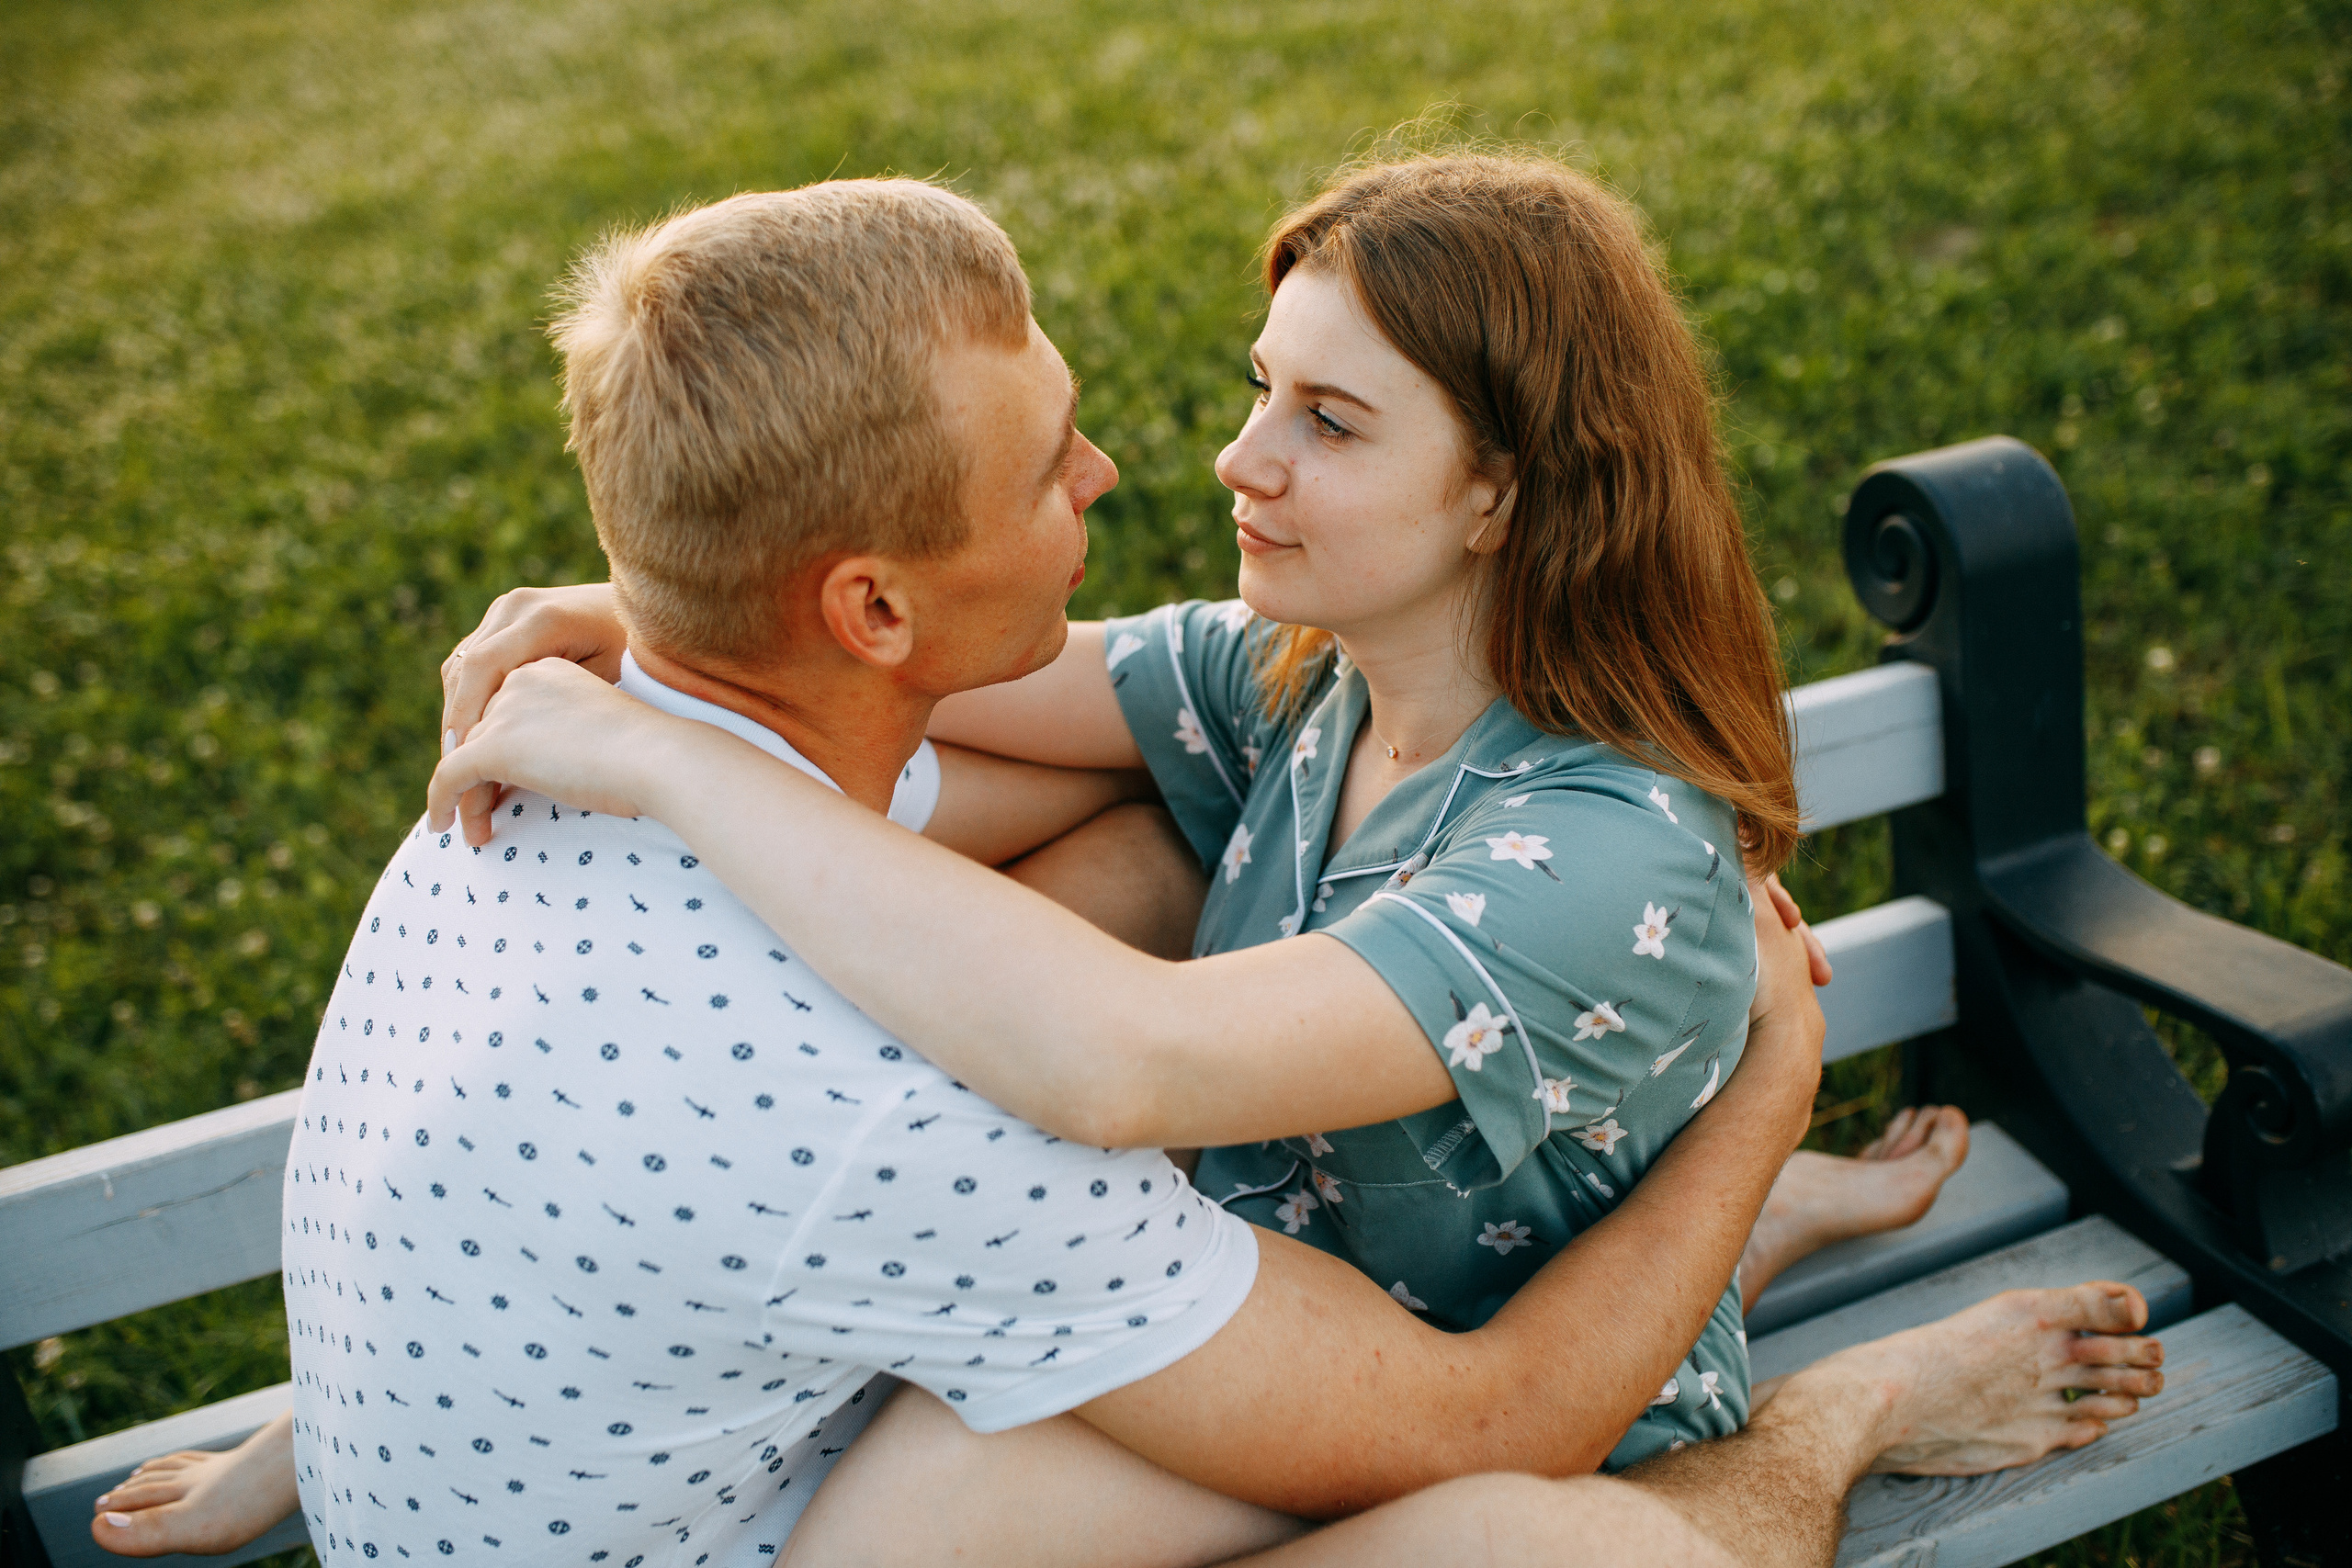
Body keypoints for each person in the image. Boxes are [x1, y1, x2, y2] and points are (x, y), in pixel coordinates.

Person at [89, 172, 2159, 1568]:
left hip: (1490, 1377)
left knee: (1564, 1549)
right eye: (1260, 392)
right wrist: (645, 624)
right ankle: (1743, 1218)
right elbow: (912, 687)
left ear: (1504, 494)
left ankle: (1833, 1388)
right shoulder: (1290, 671)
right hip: (1256, 1299)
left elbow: (1132, 1073)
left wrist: (1763, 1090)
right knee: (1118, 846)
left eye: (1325, 421)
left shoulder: (1579, 852)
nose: (1207, 465)